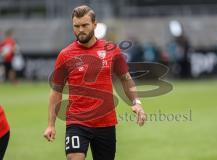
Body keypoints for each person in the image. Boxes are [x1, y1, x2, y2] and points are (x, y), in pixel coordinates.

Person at [43, 5, 146, 160]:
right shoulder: (65, 55)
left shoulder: (111, 50)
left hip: (106, 123)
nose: (80, 30)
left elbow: (125, 78)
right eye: (76, 26)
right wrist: (51, 124)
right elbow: (56, 90)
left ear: (95, 25)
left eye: (85, 25)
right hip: (77, 122)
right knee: (74, 157)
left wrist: (136, 102)